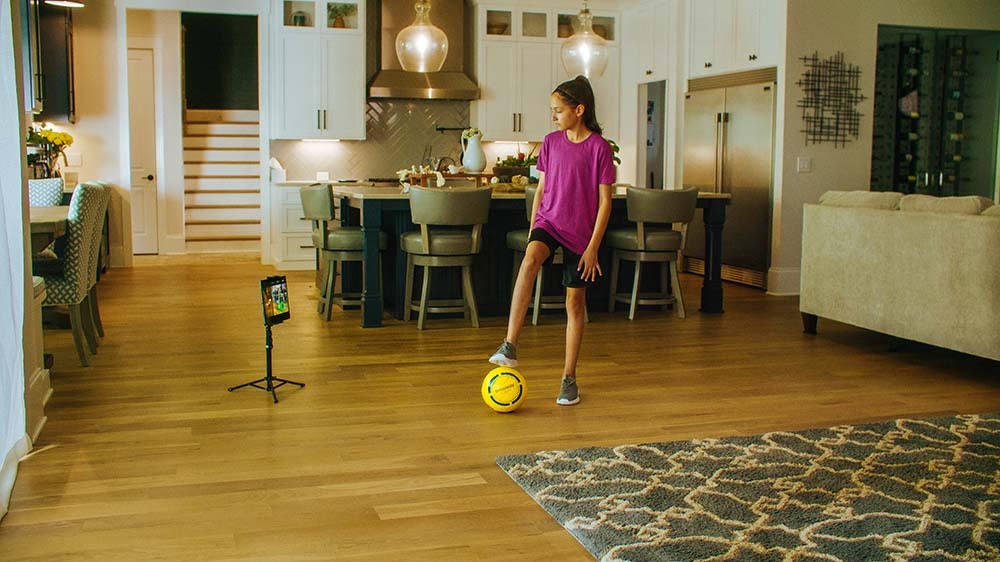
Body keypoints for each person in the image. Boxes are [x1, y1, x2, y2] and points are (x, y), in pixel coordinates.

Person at [488, 75, 616, 406]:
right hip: (549, 222)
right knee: (530, 260)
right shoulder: (550, 142)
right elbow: (542, 189)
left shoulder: (599, 149)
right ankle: (510, 343)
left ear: (579, 109)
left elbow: (605, 203)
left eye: (558, 110)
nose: (553, 116)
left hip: (581, 236)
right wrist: (534, 229)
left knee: (574, 304)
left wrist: (592, 248)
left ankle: (569, 378)